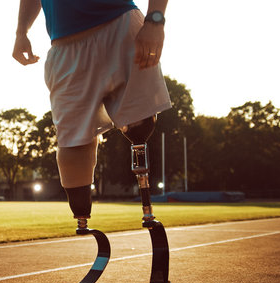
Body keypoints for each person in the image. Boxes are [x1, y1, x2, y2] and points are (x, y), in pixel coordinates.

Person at [13, 0, 171, 226]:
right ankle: (83, 223)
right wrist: (21, 32)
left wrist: (156, 20)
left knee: (140, 123)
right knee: (73, 142)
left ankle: (147, 206)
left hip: (122, 26)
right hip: (65, 47)